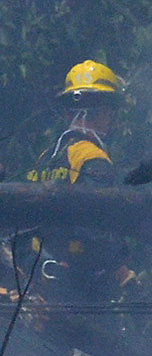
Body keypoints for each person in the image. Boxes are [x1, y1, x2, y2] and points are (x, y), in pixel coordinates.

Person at [25, 60, 127, 301]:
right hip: (80, 287)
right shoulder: (92, 158)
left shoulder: (47, 156)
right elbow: (97, 225)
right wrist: (121, 269)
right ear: (104, 111)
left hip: (40, 278)